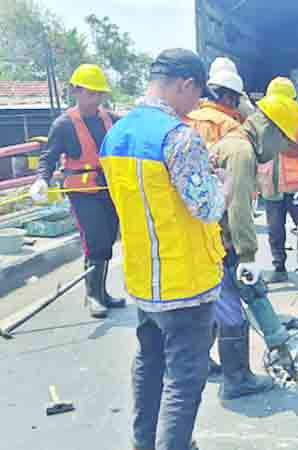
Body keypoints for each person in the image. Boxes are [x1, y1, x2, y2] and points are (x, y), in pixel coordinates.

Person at [99, 48, 232, 450]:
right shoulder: (178, 137)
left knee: (149, 361)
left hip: (144, 277)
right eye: (196, 95)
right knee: (185, 378)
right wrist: (222, 183)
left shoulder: (115, 134)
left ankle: (143, 441)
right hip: (184, 282)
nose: (196, 106)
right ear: (183, 84)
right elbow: (207, 207)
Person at [207, 81, 298, 401]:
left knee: (219, 304)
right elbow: (239, 210)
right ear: (270, 130)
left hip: (217, 240)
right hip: (223, 245)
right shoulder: (242, 152)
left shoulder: (235, 142)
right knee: (235, 306)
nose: (278, 152)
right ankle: (236, 380)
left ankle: (208, 364)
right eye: (282, 143)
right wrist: (247, 256)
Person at [30, 64, 125, 319]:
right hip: (82, 193)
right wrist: (42, 180)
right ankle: (92, 296)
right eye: (91, 93)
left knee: (107, 239)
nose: (96, 99)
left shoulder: (111, 120)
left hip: (108, 189)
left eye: (99, 94)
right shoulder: (64, 124)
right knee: (94, 240)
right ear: (77, 91)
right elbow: (48, 157)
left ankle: (102, 293)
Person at [186, 56, 249, 379]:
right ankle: (237, 379)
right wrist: (244, 244)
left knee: (204, 299)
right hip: (220, 226)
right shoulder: (230, 128)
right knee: (228, 304)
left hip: (190, 225)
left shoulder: (186, 119)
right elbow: (235, 194)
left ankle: (200, 361)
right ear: (228, 97)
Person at [258, 77, 298, 283]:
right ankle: (279, 267)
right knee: (275, 231)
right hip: (271, 188)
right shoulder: (262, 125)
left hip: (295, 189)